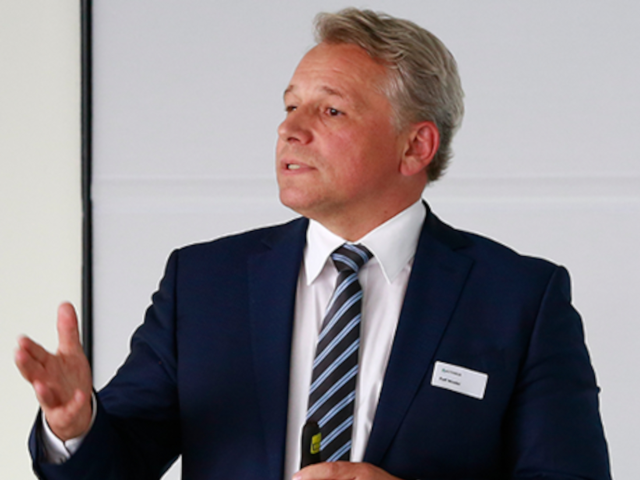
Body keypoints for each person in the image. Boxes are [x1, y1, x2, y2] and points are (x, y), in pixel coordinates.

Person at [15, 8, 611, 480]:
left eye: (330, 110)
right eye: (289, 106)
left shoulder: (520, 299)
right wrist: (75, 426)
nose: (290, 129)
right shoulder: (204, 283)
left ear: (415, 147)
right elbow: (117, 463)